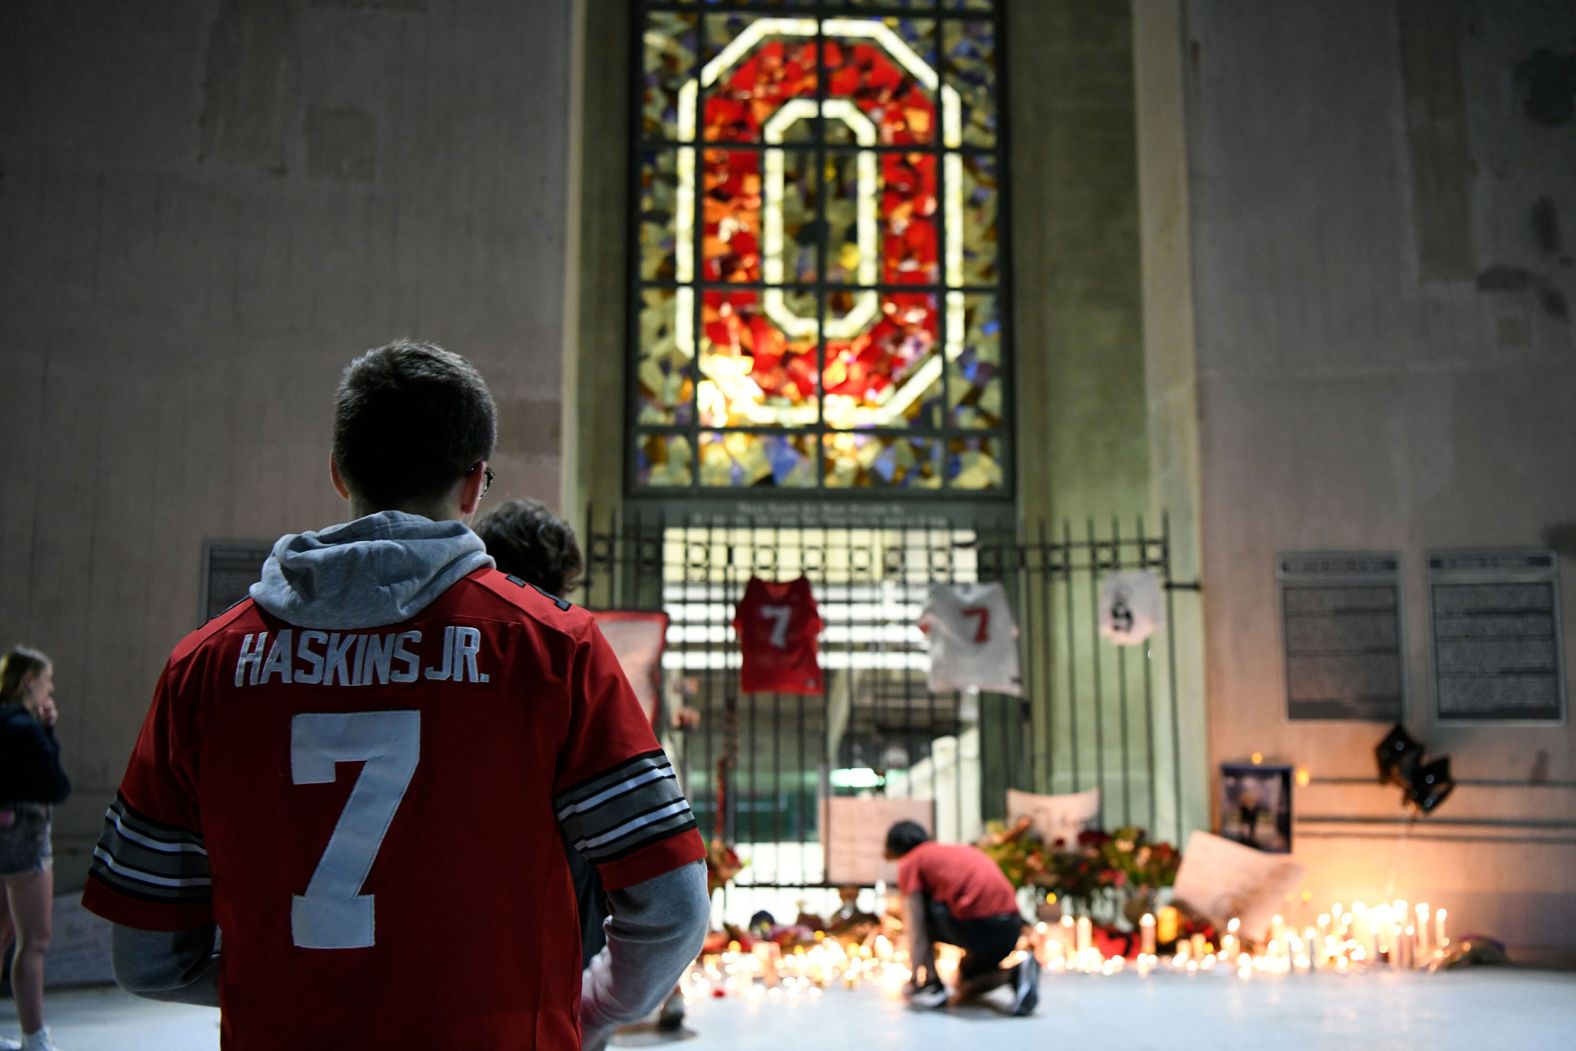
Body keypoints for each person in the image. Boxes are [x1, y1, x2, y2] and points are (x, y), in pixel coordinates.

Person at [80, 339, 710, 1050]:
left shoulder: (202, 667)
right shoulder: (551, 650)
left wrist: (280, 972)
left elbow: (144, 953)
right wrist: (590, 1003)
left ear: (338, 471)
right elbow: (673, 905)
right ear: (474, 485)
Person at [473, 498, 688, 1043]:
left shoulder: (443, 656)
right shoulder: (571, 650)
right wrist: (602, 1007)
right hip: (555, 961)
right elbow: (673, 897)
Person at [884, 820, 1038, 1016]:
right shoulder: (955, 850)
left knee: (924, 909)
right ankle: (1016, 975)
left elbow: (915, 925)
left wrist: (915, 977)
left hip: (980, 927)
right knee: (967, 981)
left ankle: (931, 984)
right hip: (1010, 929)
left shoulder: (910, 861)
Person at [0, 646, 71, 1051]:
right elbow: (57, 786)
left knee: (2, 933)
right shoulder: (25, 729)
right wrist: (47, 730)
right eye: (47, 681)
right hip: (24, 834)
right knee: (35, 941)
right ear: (30, 681)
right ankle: (35, 1038)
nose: (50, 689)